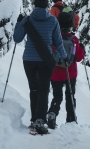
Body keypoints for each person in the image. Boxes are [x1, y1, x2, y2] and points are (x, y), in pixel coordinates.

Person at [13, 0, 68, 134]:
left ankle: (34, 120)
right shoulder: (53, 21)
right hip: (45, 61)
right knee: (43, 90)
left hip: (29, 60)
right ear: (47, 5)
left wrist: (19, 23)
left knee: (34, 89)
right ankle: (39, 120)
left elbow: (16, 39)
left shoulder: (27, 20)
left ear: (34, 5)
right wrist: (65, 57)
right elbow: (58, 43)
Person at [47, 12, 84, 129]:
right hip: (70, 73)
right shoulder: (74, 39)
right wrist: (82, 49)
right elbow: (78, 58)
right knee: (70, 95)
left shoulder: (53, 36)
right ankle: (71, 119)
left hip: (55, 73)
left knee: (57, 96)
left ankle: (52, 113)